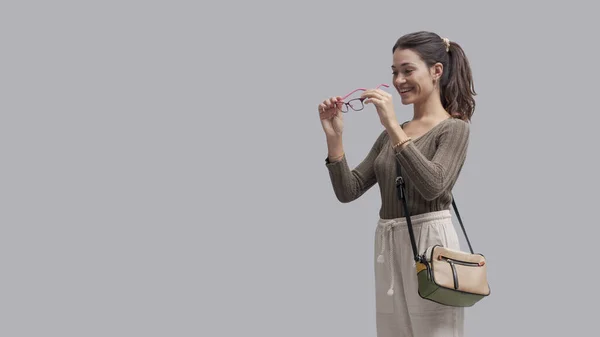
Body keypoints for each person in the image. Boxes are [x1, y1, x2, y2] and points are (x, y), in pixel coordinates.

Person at [318, 31, 476, 337]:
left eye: (407, 70)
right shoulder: (394, 133)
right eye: (394, 72)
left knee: (435, 331)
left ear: (436, 71)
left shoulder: (454, 128)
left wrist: (392, 126)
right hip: (388, 242)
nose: (399, 80)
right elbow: (348, 191)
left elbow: (435, 185)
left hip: (432, 241)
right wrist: (334, 138)